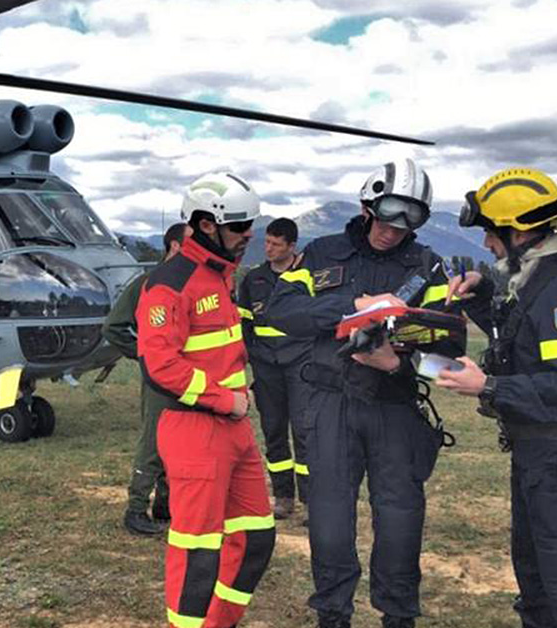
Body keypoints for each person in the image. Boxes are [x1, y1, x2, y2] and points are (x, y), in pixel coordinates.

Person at [265, 158, 453, 628]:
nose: (396, 229)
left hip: (396, 407)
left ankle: (398, 614)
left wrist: (400, 362)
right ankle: (332, 613)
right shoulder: (322, 253)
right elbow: (280, 311)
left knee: (401, 519)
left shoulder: (428, 267)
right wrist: (350, 305)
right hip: (332, 404)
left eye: (411, 218)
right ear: (368, 205)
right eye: (390, 214)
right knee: (328, 519)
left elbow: (447, 353)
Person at [434, 167, 557, 628]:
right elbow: (521, 343)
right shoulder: (539, 278)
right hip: (541, 458)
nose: (486, 245)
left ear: (519, 230)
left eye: (489, 232)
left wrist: (489, 387)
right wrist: (481, 297)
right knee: (537, 585)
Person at [137, 172, 274, 628]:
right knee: (198, 552)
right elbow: (161, 364)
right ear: (206, 224)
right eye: (240, 226)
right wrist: (222, 399)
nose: (250, 234)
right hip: (195, 428)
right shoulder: (169, 283)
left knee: (255, 539)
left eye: (250, 224)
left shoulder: (220, 277)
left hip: (234, 429)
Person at [103, 222, 187, 536]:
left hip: (186, 377)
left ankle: (165, 505)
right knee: (154, 442)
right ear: (175, 247)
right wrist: (144, 355)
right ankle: (136, 509)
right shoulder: (147, 284)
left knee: (179, 442)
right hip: (159, 379)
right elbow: (113, 327)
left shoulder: (189, 283)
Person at [236, 217, 313, 522]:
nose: (268, 248)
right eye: (266, 242)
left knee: (305, 433)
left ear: (292, 246)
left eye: (275, 244)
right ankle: (283, 497)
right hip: (267, 368)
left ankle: (310, 500)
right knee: (274, 431)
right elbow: (244, 323)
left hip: (301, 365)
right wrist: (254, 356)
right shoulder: (253, 279)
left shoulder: (308, 278)